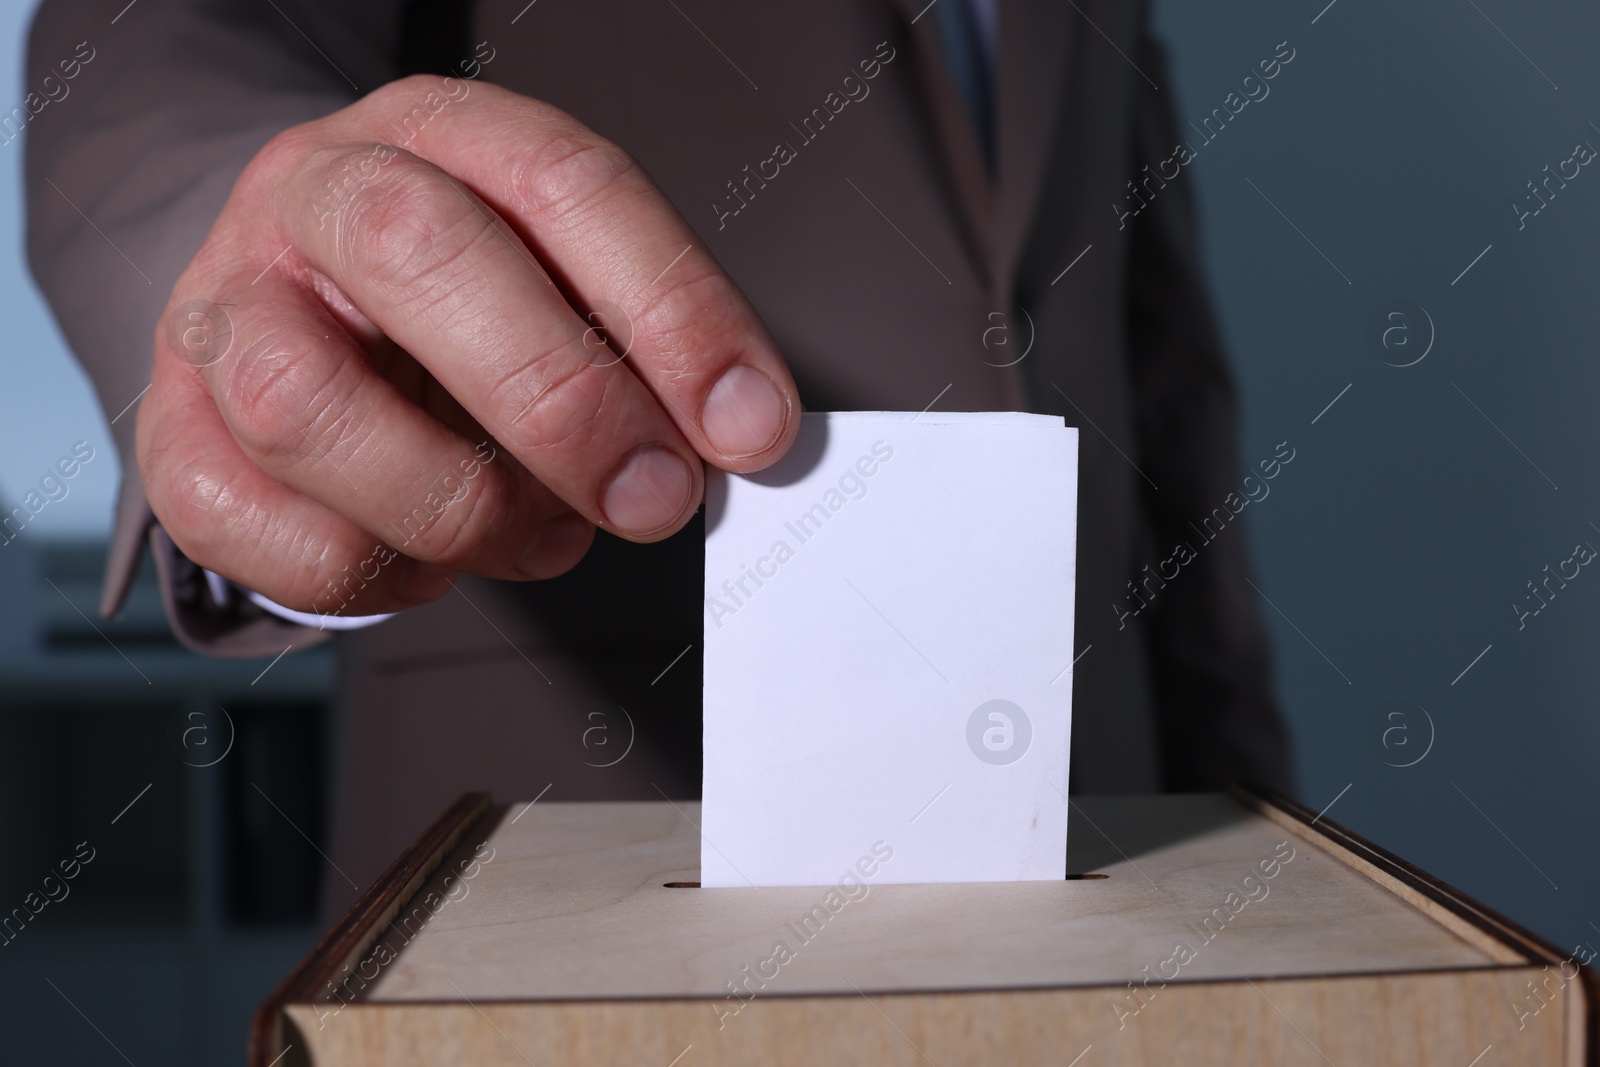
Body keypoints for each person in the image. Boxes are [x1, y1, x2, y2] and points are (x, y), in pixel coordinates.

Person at [24, 0, 1292, 912]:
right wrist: (258, 311)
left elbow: (1162, 401)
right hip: (585, 832)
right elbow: (154, 47)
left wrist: (1254, 833)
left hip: (1104, 857)